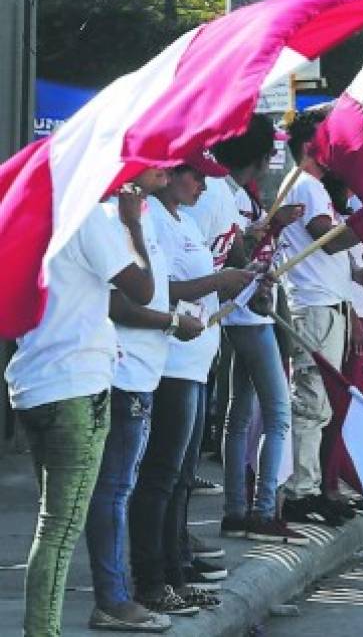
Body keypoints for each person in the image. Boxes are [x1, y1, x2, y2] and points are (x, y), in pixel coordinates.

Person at [6, 174, 159, 637]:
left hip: (33, 384)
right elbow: (142, 289)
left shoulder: (28, 218)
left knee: (53, 526)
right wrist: (132, 226)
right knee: (58, 530)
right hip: (76, 387)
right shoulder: (86, 215)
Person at [85, 168, 207, 633]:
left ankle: (137, 588)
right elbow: (127, 300)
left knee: (132, 485)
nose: (166, 166)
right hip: (123, 371)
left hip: (145, 372)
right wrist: (172, 323)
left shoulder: (142, 215)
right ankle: (123, 595)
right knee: (115, 491)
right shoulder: (109, 217)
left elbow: (149, 287)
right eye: (156, 159)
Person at [129, 164, 254, 615]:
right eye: (195, 176)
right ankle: (152, 579)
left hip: (197, 363)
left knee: (179, 479)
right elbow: (160, 291)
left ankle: (175, 572)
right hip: (173, 366)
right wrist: (222, 280)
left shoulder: (184, 220)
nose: (203, 185)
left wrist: (242, 281)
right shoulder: (153, 218)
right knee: (161, 477)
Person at [189, 115, 310, 545]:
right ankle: (261, 511)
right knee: (278, 415)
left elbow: (238, 255)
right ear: (260, 158)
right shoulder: (228, 195)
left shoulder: (228, 194)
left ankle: (237, 510)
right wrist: (269, 236)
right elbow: (236, 260)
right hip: (247, 316)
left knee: (239, 415)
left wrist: (266, 234)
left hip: (235, 314)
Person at [278, 108, 362, 527]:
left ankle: (309, 487)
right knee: (311, 402)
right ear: (311, 144)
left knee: (320, 404)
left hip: (326, 304)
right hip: (313, 305)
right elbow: (326, 240)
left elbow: (333, 248)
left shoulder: (313, 187)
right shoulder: (306, 186)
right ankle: (300, 491)